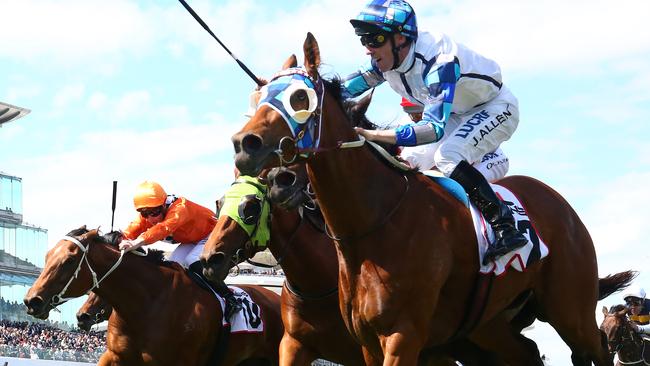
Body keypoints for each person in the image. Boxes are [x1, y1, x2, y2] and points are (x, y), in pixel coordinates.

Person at [344, 0, 527, 264]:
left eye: (374, 40)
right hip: (458, 113)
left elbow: (432, 129)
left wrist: (374, 136)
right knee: (409, 160)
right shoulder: (386, 61)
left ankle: (505, 228)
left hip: (496, 107)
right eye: (364, 40)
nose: (367, 49)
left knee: (447, 156)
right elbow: (339, 90)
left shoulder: (439, 59)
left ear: (400, 38)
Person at [119, 181, 240, 318]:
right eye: (145, 213)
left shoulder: (180, 207)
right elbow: (131, 230)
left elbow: (164, 228)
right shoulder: (146, 217)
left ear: (164, 204)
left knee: (192, 260)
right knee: (172, 265)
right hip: (193, 239)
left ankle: (229, 297)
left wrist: (137, 242)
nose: (151, 218)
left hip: (211, 233)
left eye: (154, 212)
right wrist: (115, 239)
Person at [398, 97, 510, 183]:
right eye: (410, 114)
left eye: (418, 114)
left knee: (459, 182)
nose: (414, 119)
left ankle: (499, 212)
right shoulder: (405, 123)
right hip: (454, 160)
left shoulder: (443, 124)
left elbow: (414, 159)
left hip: (490, 158)